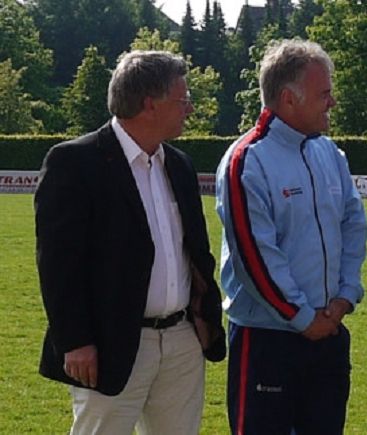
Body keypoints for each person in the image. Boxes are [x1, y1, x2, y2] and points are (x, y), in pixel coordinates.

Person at [35, 50, 226, 434]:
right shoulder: (74, 162)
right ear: (149, 105)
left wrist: (204, 319)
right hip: (110, 344)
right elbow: (58, 264)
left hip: (181, 343)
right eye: (183, 100)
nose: (189, 110)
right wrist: (76, 341)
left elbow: (196, 253)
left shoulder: (180, 164)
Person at [216, 39, 367, 434]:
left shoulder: (330, 154)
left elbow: (354, 225)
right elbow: (254, 254)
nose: (332, 103)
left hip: (329, 332)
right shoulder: (247, 159)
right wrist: (301, 317)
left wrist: (344, 296)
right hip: (269, 339)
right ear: (288, 99)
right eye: (324, 94)